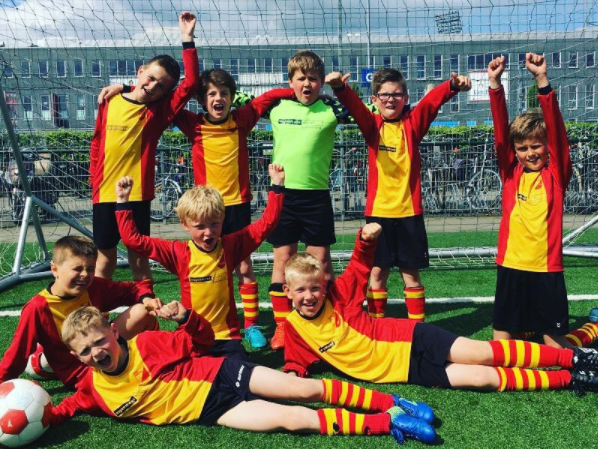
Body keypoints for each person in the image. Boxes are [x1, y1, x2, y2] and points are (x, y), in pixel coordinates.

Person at [49, 304, 438, 445]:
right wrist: (39, 418)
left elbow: (202, 342)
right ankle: (389, 424)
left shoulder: (148, 344)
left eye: (100, 341)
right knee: (293, 419)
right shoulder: (94, 391)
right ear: (74, 356)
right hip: (214, 411)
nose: (96, 353)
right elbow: (66, 408)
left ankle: (392, 402)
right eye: (85, 351)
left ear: (113, 331)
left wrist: (187, 318)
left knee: (303, 389)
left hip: (223, 374)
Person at [281, 223, 598, 395]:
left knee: (482, 353)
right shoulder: (295, 327)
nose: (309, 296)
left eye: (315, 288)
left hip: (412, 337)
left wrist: (366, 240)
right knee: (481, 378)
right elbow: (296, 361)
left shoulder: (338, 297)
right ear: (288, 292)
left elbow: (359, 266)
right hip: (406, 371)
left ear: (324, 285)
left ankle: (575, 358)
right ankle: (572, 380)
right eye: (301, 290)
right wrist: (291, 375)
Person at [325, 68, 471, 322]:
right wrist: (340, 88)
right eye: (384, 95)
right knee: (377, 273)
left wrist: (452, 86)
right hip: (378, 215)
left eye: (396, 94)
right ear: (375, 99)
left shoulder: (413, 125)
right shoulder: (372, 126)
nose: (390, 99)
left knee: (411, 274)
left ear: (405, 98)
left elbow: (430, 103)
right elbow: (356, 108)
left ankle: (417, 330)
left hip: (409, 214)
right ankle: (376, 326)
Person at [113, 164, 285, 361]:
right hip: (192, 336)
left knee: (238, 374)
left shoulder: (231, 246)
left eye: (214, 224)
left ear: (222, 218)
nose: (208, 232)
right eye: (200, 226)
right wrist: (122, 202)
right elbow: (133, 240)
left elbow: (268, 223)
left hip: (226, 337)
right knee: (180, 373)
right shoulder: (178, 252)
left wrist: (277, 185)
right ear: (185, 224)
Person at [173, 70, 294, 349]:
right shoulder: (194, 124)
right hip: (207, 210)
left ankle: (251, 325)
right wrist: (127, 88)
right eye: (212, 94)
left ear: (231, 97)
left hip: (237, 206)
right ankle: (206, 321)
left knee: (243, 265)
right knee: (207, 265)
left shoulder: (241, 120)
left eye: (224, 93)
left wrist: (296, 91)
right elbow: (171, 101)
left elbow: (268, 97)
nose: (218, 98)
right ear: (202, 100)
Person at [90, 12, 200, 282]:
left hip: (137, 195)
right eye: (150, 78)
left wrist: (187, 39)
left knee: (139, 256)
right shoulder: (109, 100)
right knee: (104, 257)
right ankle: (99, 307)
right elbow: (97, 144)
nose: (152, 86)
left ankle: (145, 304)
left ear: (165, 93)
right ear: (140, 71)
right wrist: (94, 181)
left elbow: (191, 84)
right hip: (104, 193)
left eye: (161, 86)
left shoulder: (159, 112)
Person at [487, 53, 587, 349]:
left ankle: (587, 336)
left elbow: (556, 131)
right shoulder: (510, 173)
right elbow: (500, 131)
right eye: (522, 148)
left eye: (536, 146)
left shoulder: (556, 175)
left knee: (556, 351)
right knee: (502, 346)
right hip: (511, 267)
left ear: (546, 147)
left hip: (546, 271)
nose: (530, 153)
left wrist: (541, 79)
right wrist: (494, 84)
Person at [263, 50, 353, 350]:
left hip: (316, 196)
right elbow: (239, 100)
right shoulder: (276, 106)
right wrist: (279, 92)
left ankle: (330, 322)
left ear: (321, 82)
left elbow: (365, 111)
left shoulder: (330, 109)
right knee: (283, 260)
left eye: (313, 79)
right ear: (290, 81)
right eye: (300, 78)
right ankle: (282, 326)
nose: (307, 84)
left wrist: (341, 89)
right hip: (282, 194)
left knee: (321, 262)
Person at [0, 236, 161, 387]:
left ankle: (156, 358)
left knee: (143, 311)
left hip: (102, 350)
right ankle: (40, 363)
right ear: (54, 269)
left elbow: (131, 290)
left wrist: (147, 298)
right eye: (77, 269)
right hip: (81, 372)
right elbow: (18, 352)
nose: (84, 275)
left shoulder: (94, 287)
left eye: (90, 269)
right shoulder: (37, 307)